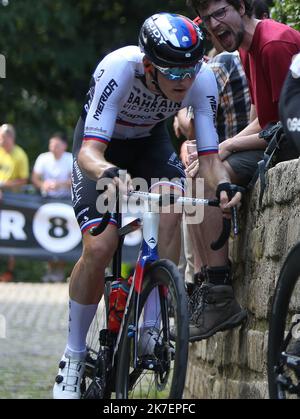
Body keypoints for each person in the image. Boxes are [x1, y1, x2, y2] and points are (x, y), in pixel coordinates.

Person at [53, 12, 242, 399]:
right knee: (101, 246)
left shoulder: (200, 79)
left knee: (174, 203)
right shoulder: (119, 69)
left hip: (150, 144)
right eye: (172, 74)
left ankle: (152, 325)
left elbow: (208, 158)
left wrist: (223, 185)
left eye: (189, 71)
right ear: (148, 65)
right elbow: (90, 152)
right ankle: (73, 357)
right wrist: (108, 173)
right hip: (103, 148)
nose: (184, 81)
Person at [184, 0, 300, 342]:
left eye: (220, 12)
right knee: (198, 171)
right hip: (280, 137)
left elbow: (285, 127)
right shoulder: (248, 48)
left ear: (243, 6)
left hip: (292, 142)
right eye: (207, 19)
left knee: (205, 178)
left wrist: (228, 147)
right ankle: (207, 287)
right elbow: (264, 121)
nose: (213, 24)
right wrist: (223, 144)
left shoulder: (274, 43)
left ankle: (219, 294)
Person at [175, 22, 251, 289]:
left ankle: (202, 281)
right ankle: (199, 281)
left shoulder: (220, 63)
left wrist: (178, 112)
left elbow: (192, 125)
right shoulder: (247, 59)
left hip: (233, 154)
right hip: (238, 148)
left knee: (194, 181)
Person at [32, 133, 73, 282]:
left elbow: (75, 180)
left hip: (65, 201)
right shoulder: (43, 158)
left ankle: (60, 270)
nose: (53, 148)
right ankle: (50, 269)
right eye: (51, 145)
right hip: (47, 201)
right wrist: (43, 185)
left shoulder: (69, 158)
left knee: (64, 236)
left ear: (64, 146)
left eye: (56, 145)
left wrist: (59, 184)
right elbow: (35, 177)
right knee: (47, 235)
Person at [0, 123, 29, 282]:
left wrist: (3, 186)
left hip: (13, 202)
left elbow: (24, 180)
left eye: (2, 137)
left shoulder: (20, 155)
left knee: (11, 237)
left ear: (10, 137)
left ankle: (9, 272)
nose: (0, 141)